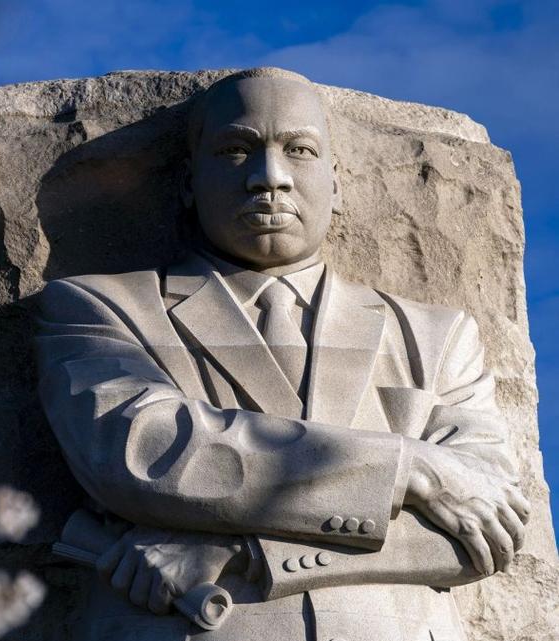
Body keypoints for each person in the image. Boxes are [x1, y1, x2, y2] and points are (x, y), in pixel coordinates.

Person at [34, 67, 530, 641]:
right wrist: (413, 469)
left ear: (337, 182)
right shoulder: (101, 308)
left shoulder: (435, 336)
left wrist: (242, 552)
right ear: (189, 182)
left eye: (299, 150)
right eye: (237, 150)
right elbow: (150, 452)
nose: (270, 178)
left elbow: (484, 531)